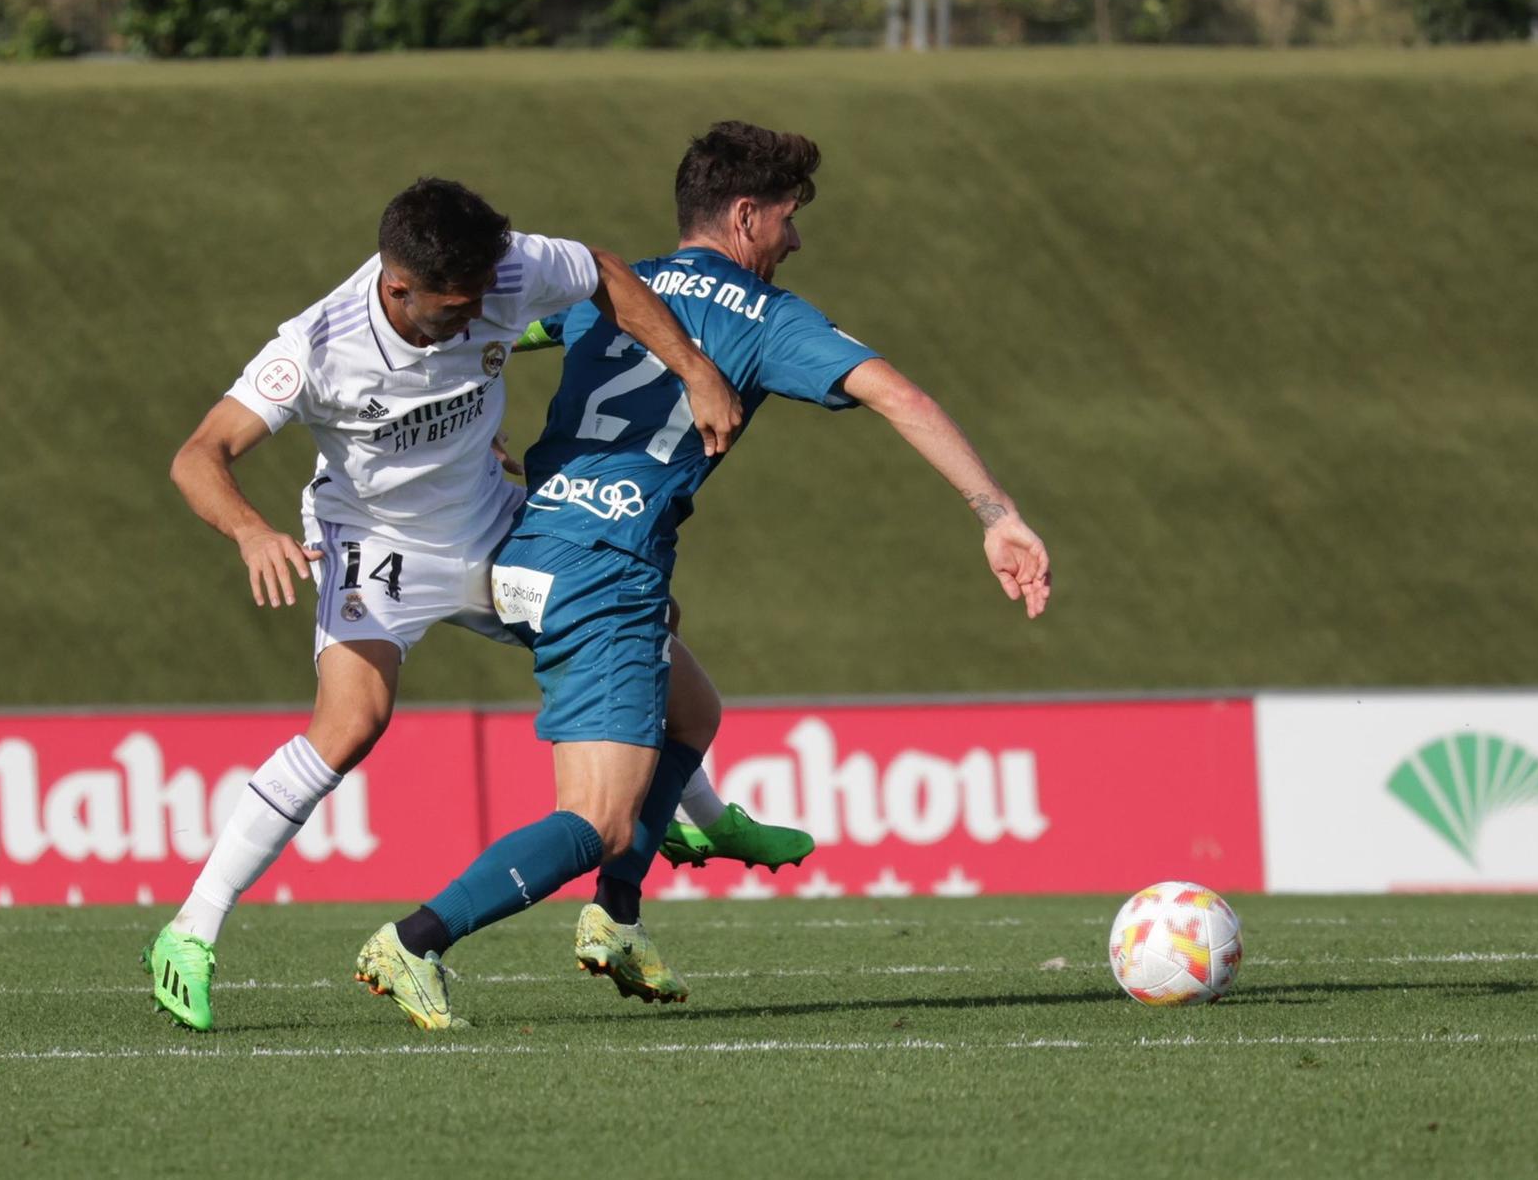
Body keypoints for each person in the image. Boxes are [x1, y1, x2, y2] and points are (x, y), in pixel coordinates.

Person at [354, 122, 1053, 1030]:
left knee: (694, 712)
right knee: (597, 821)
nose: (796, 242)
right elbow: (901, 397)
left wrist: (460, 425)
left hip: (530, 549)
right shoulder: (766, 315)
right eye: (790, 220)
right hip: (604, 571)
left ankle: (618, 918)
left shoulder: (616, 286)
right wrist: (996, 514)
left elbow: (480, 331)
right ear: (746, 215)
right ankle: (416, 940)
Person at [145, 176, 777, 1031]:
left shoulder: (507, 270)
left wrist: (696, 371)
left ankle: (696, 819)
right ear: (398, 286)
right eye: (454, 307)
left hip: (492, 528)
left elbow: (605, 274)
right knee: (352, 723)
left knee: (643, 625)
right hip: (377, 550)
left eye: (485, 297)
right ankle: (191, 928)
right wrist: (253, 532)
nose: (478, 316)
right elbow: (199, 454)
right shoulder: (315, 348)